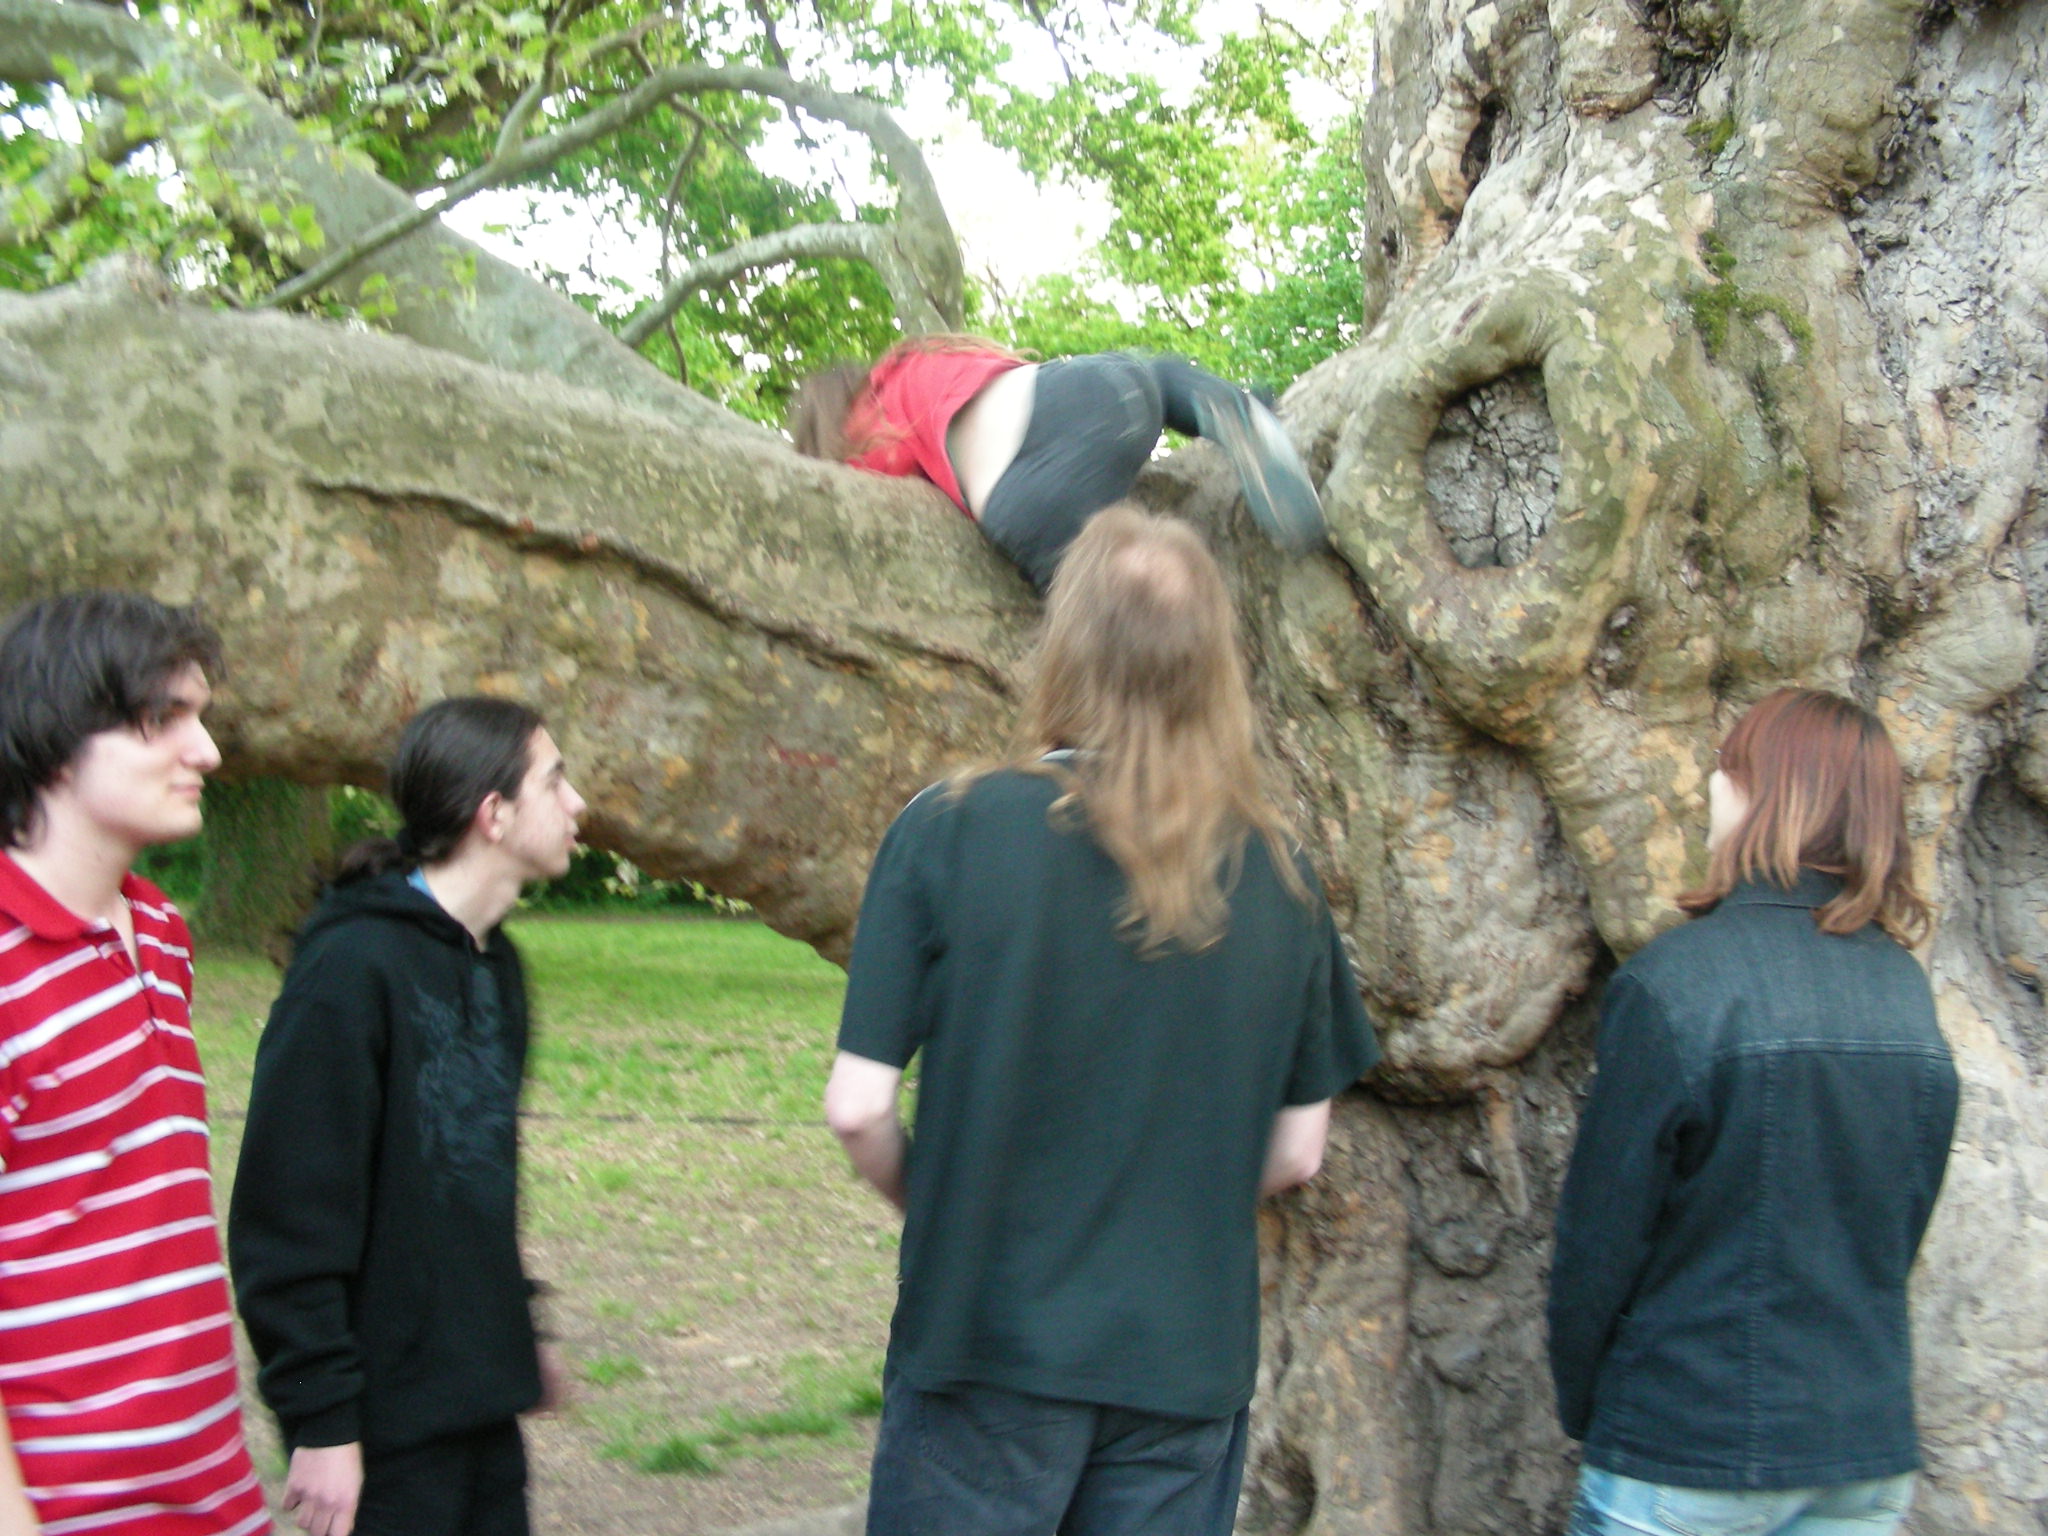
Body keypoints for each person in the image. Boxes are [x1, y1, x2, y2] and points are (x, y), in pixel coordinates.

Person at [825, 506, 1379, 1535]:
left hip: (984, 1346)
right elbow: (1299, 1152)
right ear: (1215, 666)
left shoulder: (947, 829)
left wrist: (942, 1206)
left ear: (1067, 643)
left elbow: (858, 1108)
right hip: (1183, 1364)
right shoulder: (1283, 877)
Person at [1548, 689, 1959, 1536]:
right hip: (1860, 1448)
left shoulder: (1675, 983)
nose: (1710, 784)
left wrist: (1595, 1407)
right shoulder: (1905, 993)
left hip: (1686, 1437)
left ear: (1767, 795)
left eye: (1727, 767)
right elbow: (1897, 1229)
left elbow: (1601, 1242)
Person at [229, 698, 586, 1536]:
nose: (578, 805)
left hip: (482, 1408)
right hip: (382, 1431)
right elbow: (286, 1222)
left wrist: (519, 1323)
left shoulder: (497, 965)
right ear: (493, 815)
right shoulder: (349, 969)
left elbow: (470, 1179)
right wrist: (320, 1421)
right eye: (555, 781)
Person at [0, 591, 271, 1535]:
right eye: (166, 718)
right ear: (56, 736)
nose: (209, 751)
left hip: (213, 1492)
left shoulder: (158, 929)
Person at [788, 337, 1328, 590]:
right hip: (1085, 399)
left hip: (1022, 508)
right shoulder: (916, 362)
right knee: (1158, 376)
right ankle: (1234, 411)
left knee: (1100, 626)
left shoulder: (861, 442)